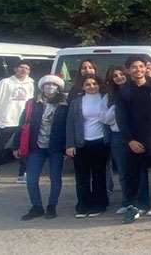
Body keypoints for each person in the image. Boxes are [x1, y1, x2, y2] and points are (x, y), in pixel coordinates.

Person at [115, 56, 151, 224]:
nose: (138, 69)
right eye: (134, 67)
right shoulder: (124, 91)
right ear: (128, 70)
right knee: (135, 174)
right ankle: (138, 205)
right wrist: (129, 140)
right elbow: (121, 118)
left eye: (141, 66)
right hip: (135, 141)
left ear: (146, 68)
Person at [13, 75, 68, 220]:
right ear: (42, 87)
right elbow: (23, 124)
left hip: (56, 147)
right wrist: (16, 145)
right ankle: (36, 207)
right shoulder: (32, 103)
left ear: (58, 88)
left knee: (55, 178)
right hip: (36, 146)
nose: (50, 87)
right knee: (31, 179)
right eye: (47, 84)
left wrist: (68, 146)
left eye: (54, 85)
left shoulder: (64, 104)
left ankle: (52, 206)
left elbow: (69, 126)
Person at [66, 75, 111, 218]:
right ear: (82, 86)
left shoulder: (105, 98)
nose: (91, 86)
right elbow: (70, 123)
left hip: (100, 142)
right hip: (81, 143)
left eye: (94, 83)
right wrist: (70, 144)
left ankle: (99, 204)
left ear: (99, 85)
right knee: (82, 177)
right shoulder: (76, 102)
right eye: (88, 84)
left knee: (99, 175)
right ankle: (83, 206)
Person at [0, 59, 34, 184]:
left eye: (27, 68)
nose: (24, 70)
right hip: (6, 120)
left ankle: (22, 174)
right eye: (21, 67)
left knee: (24, 148)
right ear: (15, 69)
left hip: (24, 121)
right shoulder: (5, 82)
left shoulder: (31, 83)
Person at [105, 66, 143, 214]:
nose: (119, 77)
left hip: (136, 134)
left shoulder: (136, 90)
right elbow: (106, 119)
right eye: (115, 75)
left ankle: (142, 202)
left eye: (121, 74)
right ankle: (127, 202)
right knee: (123, 171)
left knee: (139, 171)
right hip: (118, 136)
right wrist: (117, 107)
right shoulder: (109, 96)